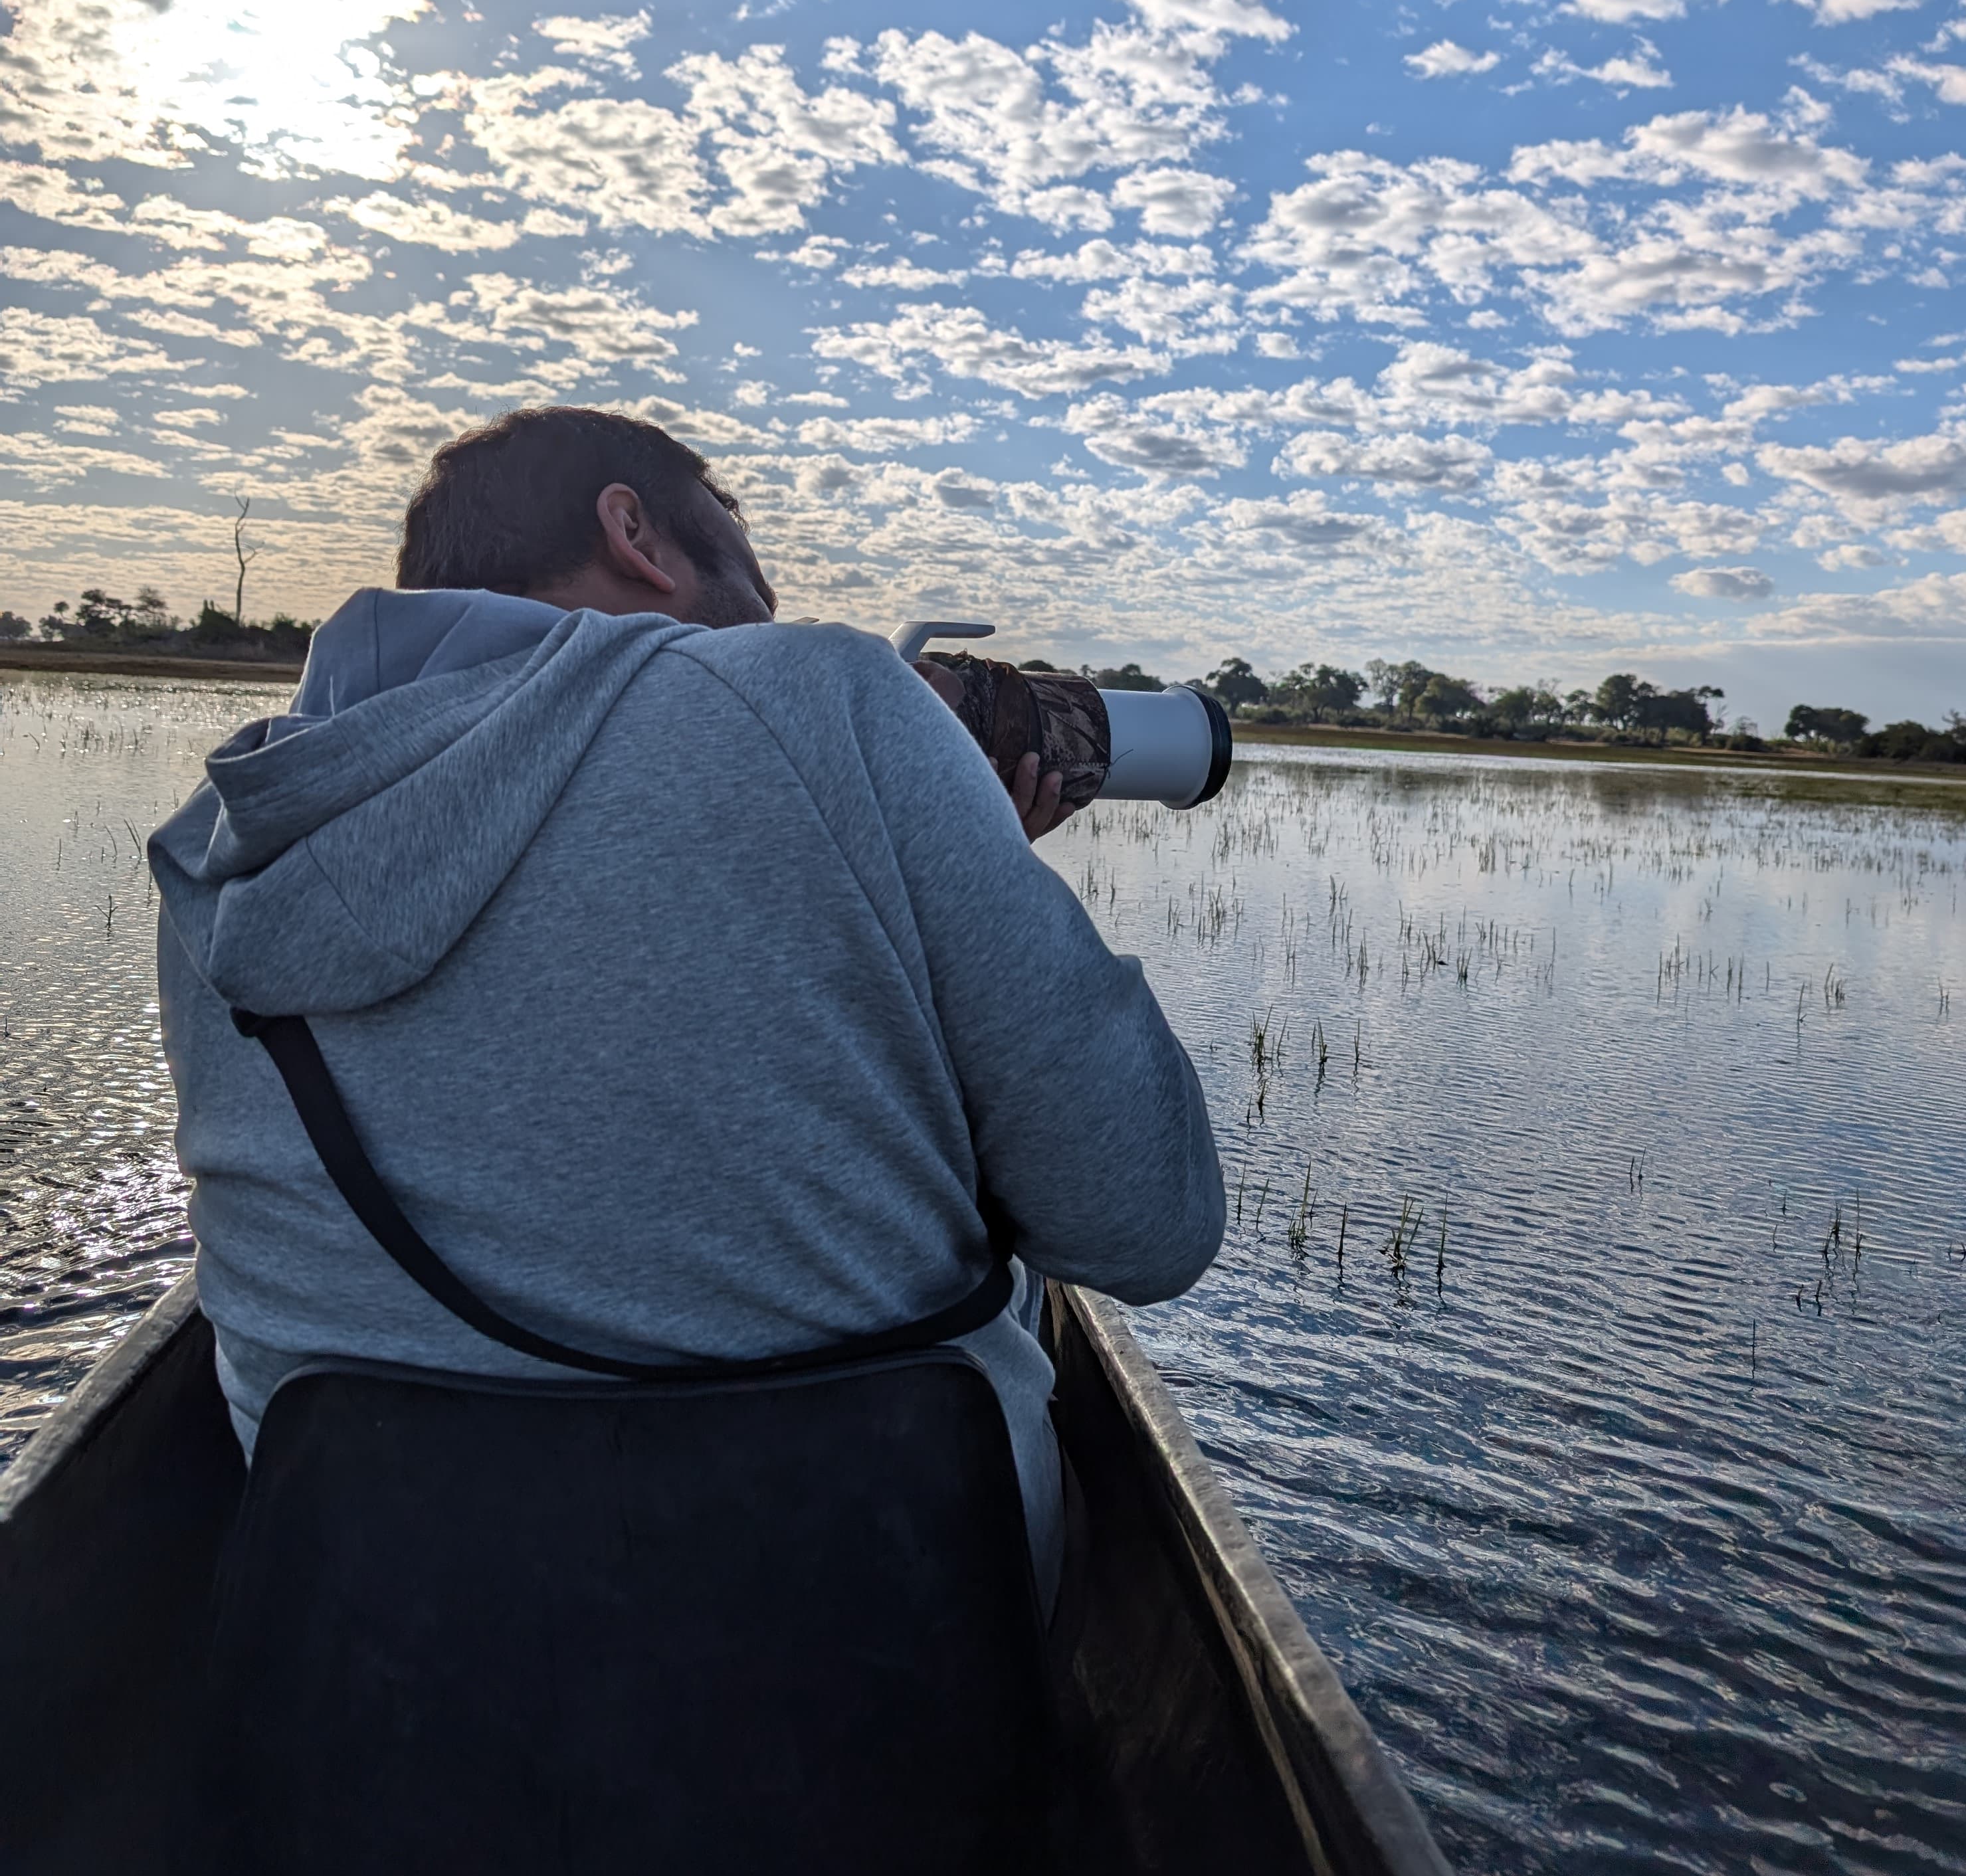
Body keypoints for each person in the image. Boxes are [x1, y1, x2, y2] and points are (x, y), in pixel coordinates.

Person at [148, 404, 1226, 1603]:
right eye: (754, 592)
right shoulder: (828, 696)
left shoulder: (223, 843)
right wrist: (979, 856)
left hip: (363, 1636)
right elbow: (1149, 1224)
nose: (768, 628)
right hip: (861, 1629)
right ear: (637, 535)